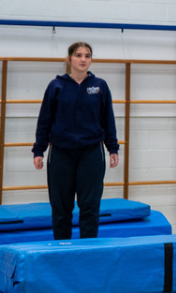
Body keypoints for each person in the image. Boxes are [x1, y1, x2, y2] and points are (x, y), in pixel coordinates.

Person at [33, 42, 119, 240]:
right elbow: (44, 120)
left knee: (90, 206)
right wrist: (39, 150)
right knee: (61, 207)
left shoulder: (100, 86)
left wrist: (112, 148)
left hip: (91, 153)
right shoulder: (56, 86)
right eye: (78, 55)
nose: (83, 59)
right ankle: (62, 251)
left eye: (87, 55)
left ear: (91, 60)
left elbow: (108, 119)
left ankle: (88, 252)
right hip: (61, 153)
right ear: (69, 59)